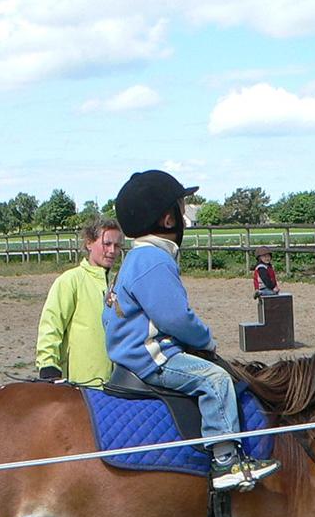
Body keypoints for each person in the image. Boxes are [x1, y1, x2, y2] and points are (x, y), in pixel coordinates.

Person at [103, 170, 280, 492]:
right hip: (153, 357)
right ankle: (226, 461)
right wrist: (205, 339)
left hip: (132, 352)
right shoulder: (154, 260)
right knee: (215, 380)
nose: (185, 215)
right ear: (169, 219)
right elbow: (176, 318)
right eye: (182, 208)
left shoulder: (137, 257)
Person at [35, 217, 123, 384]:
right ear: (89, 243)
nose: (112, 250)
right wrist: (48, 365)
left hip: (116, 384)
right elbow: (52, 323)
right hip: (80, 385)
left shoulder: (119, 283)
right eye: (107, 243)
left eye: (117, 245)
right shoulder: (70, 281)